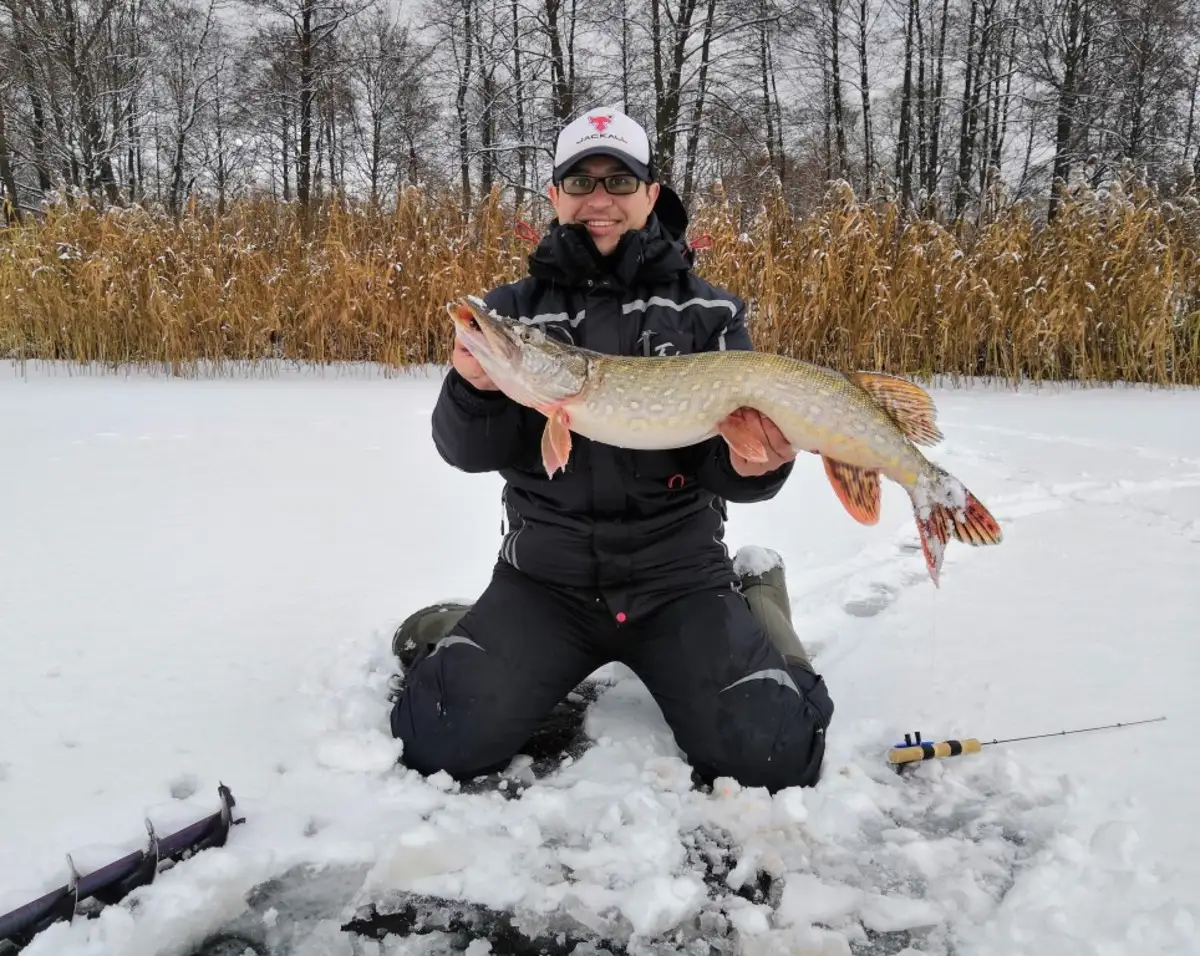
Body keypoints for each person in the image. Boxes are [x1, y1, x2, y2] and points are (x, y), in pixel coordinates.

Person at [388, 107, 834, 793]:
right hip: (547, 581)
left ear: (652, 194)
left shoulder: (710, 314)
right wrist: (476, 384)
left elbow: (728, 469)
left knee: (775, 755)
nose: (599, 198)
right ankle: (456, 630)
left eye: (620, 179)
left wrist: (757, 464)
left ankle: (760, 599)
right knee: (435, 738)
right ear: (555, 196)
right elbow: (468, 450)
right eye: (580, 179)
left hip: (679, 581)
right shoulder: (516, 310)